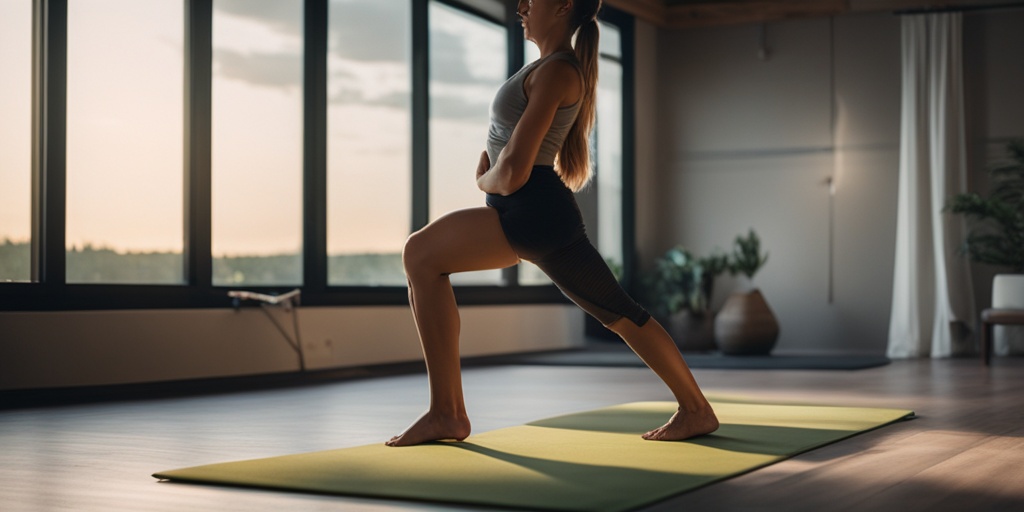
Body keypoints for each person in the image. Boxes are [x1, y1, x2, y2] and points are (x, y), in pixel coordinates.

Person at [386, 0, 719, 447]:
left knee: (421, 254)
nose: (522, 6)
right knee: (619, 312)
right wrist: (495, 178)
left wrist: (482, 177)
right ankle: (696, 409)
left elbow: (514, 171)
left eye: (532, 0)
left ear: (562, 6)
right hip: (534, 215)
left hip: (531, 211)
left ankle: (447, 413)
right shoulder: (550, 68)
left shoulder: (559, 72)